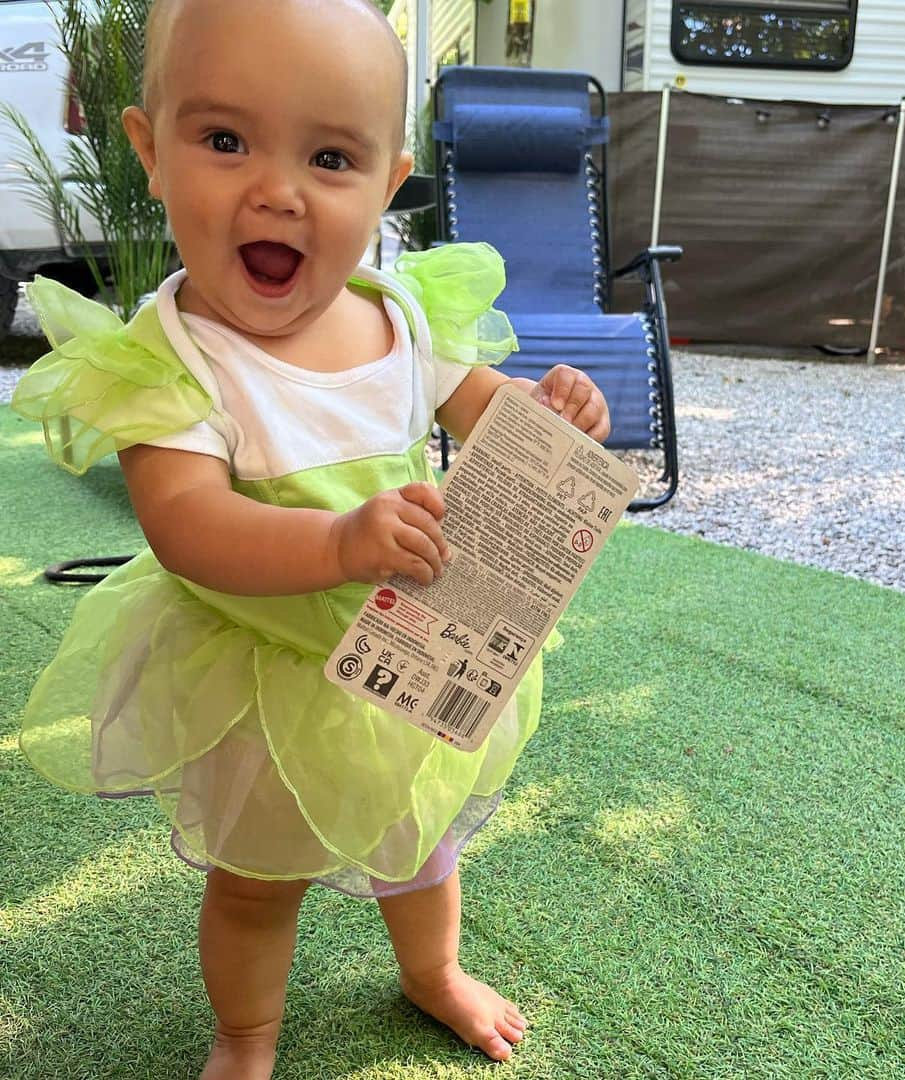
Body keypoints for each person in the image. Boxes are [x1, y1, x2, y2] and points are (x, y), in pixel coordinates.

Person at [11, 1, 611, 1077]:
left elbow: (484, 410)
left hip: (411, 652)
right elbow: (189, 526)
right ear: (150, 150)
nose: (277, 189)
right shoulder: (174, 358)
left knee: (424, 841)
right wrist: (340, 545)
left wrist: (547, 416)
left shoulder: (403, 314)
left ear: (387, 183)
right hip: (264, 678)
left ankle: (432, 972)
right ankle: (246, 1035)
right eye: (226, 140)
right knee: (255, 883)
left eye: (330, 155)